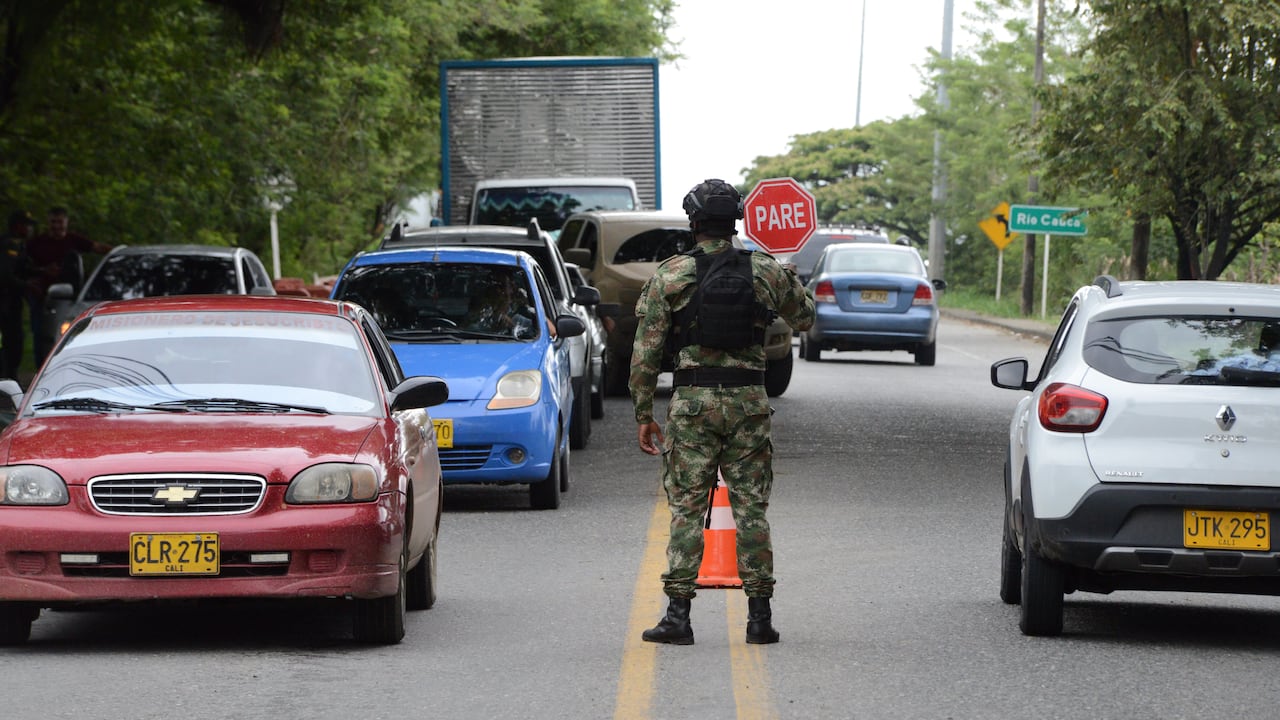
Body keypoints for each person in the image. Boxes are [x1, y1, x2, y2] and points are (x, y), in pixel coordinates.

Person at [629, 178, 815, 645]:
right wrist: (790, 278)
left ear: (693, 222)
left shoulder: (671, 275)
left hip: (692, 407)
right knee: (752, 510)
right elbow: (805, 318)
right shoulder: (766, 270)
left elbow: (645, 354)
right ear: (735, 221)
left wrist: (643, 413)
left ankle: (678, 617)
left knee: (687, 510)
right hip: (749, 404)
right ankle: (760, 619)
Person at [25, 206, 112, 362]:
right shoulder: (36, 243)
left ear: (66, 222)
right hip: (43, 297)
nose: (56, 226)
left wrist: (119, 252)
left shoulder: (73, 240)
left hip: (71, 297)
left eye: (60, 222)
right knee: (41, 334)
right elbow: (22, 267)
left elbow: (97, 247)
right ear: (48, 222)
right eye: (53, 222)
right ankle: (42, 366)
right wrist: (42, 271)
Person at [0, 210, 34, 377]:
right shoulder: (10, 244)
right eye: (27, 225)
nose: (29, 229)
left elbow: (23, 268)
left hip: (11, 302)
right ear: (18, 226)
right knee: (12, 341)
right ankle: (8, 376)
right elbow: (6, 275)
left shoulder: (18, 244)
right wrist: (27, 286)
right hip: (6, 302)